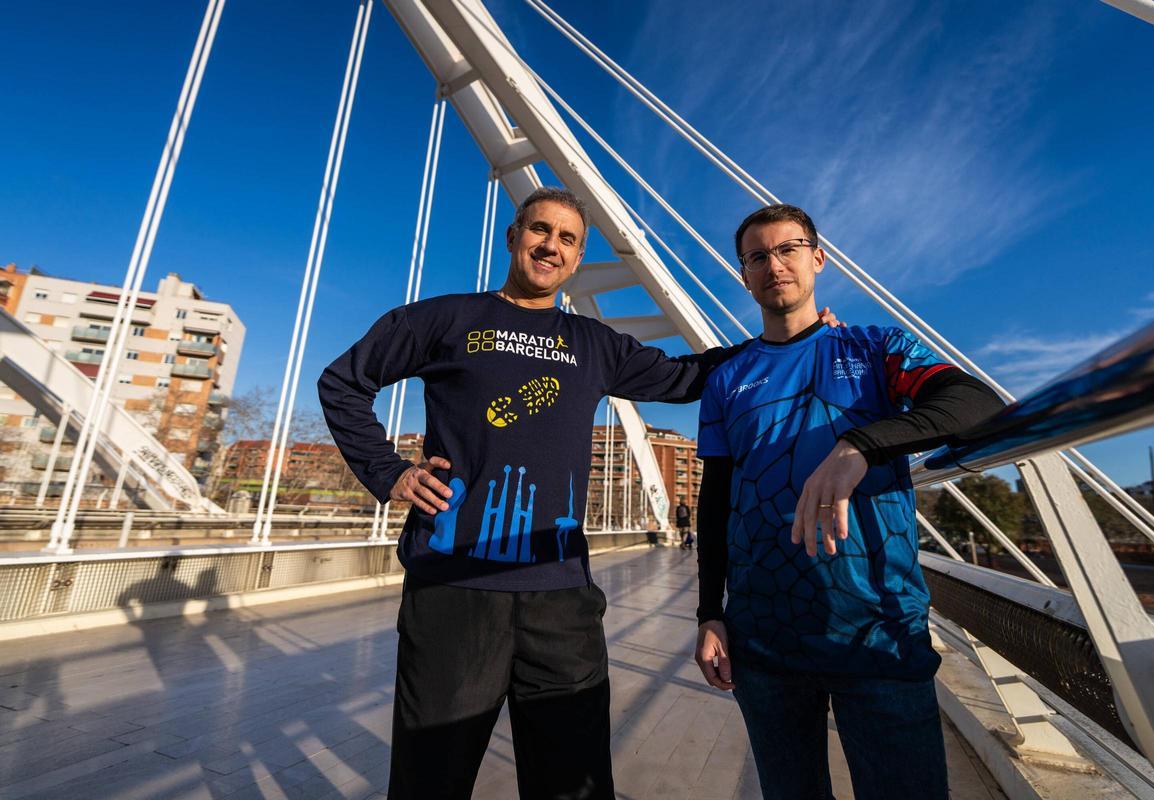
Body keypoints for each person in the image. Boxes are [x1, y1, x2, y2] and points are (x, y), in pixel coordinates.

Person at [318, 187, 838, 799]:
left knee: (575, 783)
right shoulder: (443, 319)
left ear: (579, 257)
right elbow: (343, 383)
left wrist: (785, 343)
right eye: (540, 231)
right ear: (513, 237)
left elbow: (687, 376)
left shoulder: (594, 344)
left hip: (563, 599)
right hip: (453, 590)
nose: (550, 246)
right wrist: (389, 471)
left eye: (567, 239)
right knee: (431, 779)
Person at [692, 204, 1005, 800]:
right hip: (764, 641)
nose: (773, 265)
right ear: (744, 275)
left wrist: (861, 443)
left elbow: (978, 403)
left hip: (877, 635)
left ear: (818, 258)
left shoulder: (876, 350)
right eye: (757, 256)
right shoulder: (727, 379)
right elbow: (715, 502)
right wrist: (710, 611)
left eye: (788, 249)